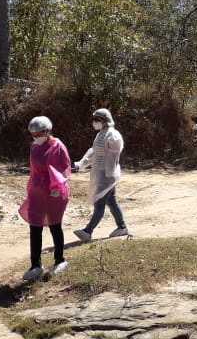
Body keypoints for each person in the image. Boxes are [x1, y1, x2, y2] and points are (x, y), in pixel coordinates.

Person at [19, 116, 71, 280]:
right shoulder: (34, 147)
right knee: (35, 228)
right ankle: (35, 264)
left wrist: (58, 187)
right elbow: (34, 169)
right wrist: (31, 188)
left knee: (55, 226)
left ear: (47, 131)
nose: (35, 137)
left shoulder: (58, 147)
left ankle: (59, 259)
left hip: (53, 192)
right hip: (37, 192)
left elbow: (65, 168)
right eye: (33, 135)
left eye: (38, 134)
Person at [72, 109, 129, 242]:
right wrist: (81, 163)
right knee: (112, 201)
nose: (94, 122)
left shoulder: (114, 136)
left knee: (99, 203)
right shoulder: (100, 135)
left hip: (107, 176)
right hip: (100, 175)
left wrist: (108, 178)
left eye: (97, 120)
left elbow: (112, 158)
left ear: (105, 121)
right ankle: (122, 227)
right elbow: (94, 152)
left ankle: (88, 230)